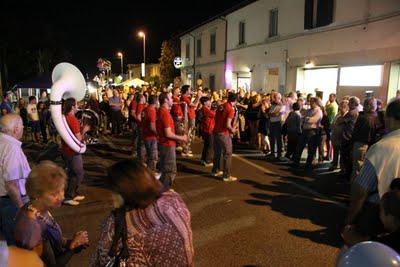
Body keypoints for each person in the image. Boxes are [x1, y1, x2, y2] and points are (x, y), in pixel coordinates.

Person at [90, 160, 194, 266]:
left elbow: (103, 258)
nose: (110, 196)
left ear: (125, 192)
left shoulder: (119, 223)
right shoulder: (173, 199)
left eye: (113, 191)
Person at [14, 161, 89, 266]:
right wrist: (72, 248)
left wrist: (71, 242)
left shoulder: (39, 210)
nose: (61, 197)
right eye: (54, 194)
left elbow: (55, 239)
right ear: (37, 194)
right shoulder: (31, 227)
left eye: (62, 190)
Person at [344, 99, 400, 237]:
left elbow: (360, 191)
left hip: (380, 213)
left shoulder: (382, 147)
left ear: (391, 119)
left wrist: (349, 220)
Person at [0, 114, 30, 245]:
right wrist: (21, 208)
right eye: (22, 124)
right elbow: (11, 184)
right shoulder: (11, 148)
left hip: (4, 201)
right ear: (16, 128)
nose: (23, 127)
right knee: (17, 242)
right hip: (11, 202)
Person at [61, 98, 90, 206]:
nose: (78, 106)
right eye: (76, 104)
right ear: (72, 107)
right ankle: (68, 196)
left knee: (73, 173)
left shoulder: (65, 118)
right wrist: (84, 130)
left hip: (66, 149)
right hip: (73, 150)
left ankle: (73, 193)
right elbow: (78, 138)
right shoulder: (73, 120)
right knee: (78, 173)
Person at [156, 92, 187, 189]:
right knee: (170, 170)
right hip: (167, 144)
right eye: (170, 97)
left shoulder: (161, 111)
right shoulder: (164, 113)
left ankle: (161, 188)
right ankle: (164, 191)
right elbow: (168, 133)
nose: (172, 99)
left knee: (165, 169)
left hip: (164, 143)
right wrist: (182, 138)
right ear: (165, 100)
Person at [211, 92, 238, 182]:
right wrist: (232, 130)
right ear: (235, 100)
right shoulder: (231, 109)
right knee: (227, 153)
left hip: (216, 131)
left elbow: (216, 117)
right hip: (223, 133)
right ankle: (226, 175)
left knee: (217, 152)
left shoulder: (222, 106)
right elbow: (228, 124)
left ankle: (215, 170)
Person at [292, 97, 323, 169]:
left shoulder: (318, 111)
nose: (310, 103)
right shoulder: (309, 110)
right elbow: (302, 118)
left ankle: (308, 164)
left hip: (312, 131)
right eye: (310, 101)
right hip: (305, 130)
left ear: (315, 102)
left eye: (312, 102)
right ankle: (296, 162)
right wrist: (306, 118)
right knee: (300, 146)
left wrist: (306, 118)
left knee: (311, 148)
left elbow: (313, 120)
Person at [180, 85, 201, 157]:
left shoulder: (186, 97)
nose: (191, 91)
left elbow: (194, 105)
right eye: (189, 89)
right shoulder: (184, 97)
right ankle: (185, 149)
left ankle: (187, 148)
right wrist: (198, 97)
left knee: (189, 133)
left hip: (191, 116)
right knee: (188, 133)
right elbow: (194, 105)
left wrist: (197, 98)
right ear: (186, 91)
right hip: (189, 117)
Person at [141, 94, 158, 173]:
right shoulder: (152, 111)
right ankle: (151, 173)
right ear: (155, 102)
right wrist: (158, 134)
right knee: (153, 156)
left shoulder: (145, 109)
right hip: (151, 136)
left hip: (145, 134)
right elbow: (152, 127)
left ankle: (148, 172)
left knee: (149, 155)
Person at [200, 96, 216, 167]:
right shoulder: (205, 109)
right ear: (205, 102)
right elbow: (213, 114)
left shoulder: (205, 108)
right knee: (210, 145)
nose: (210, 102)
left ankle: (203, 159)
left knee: (206, 145)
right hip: (209, 129)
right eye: (209, 101)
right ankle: (208, 160)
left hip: (207, 128)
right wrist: (215, 110)